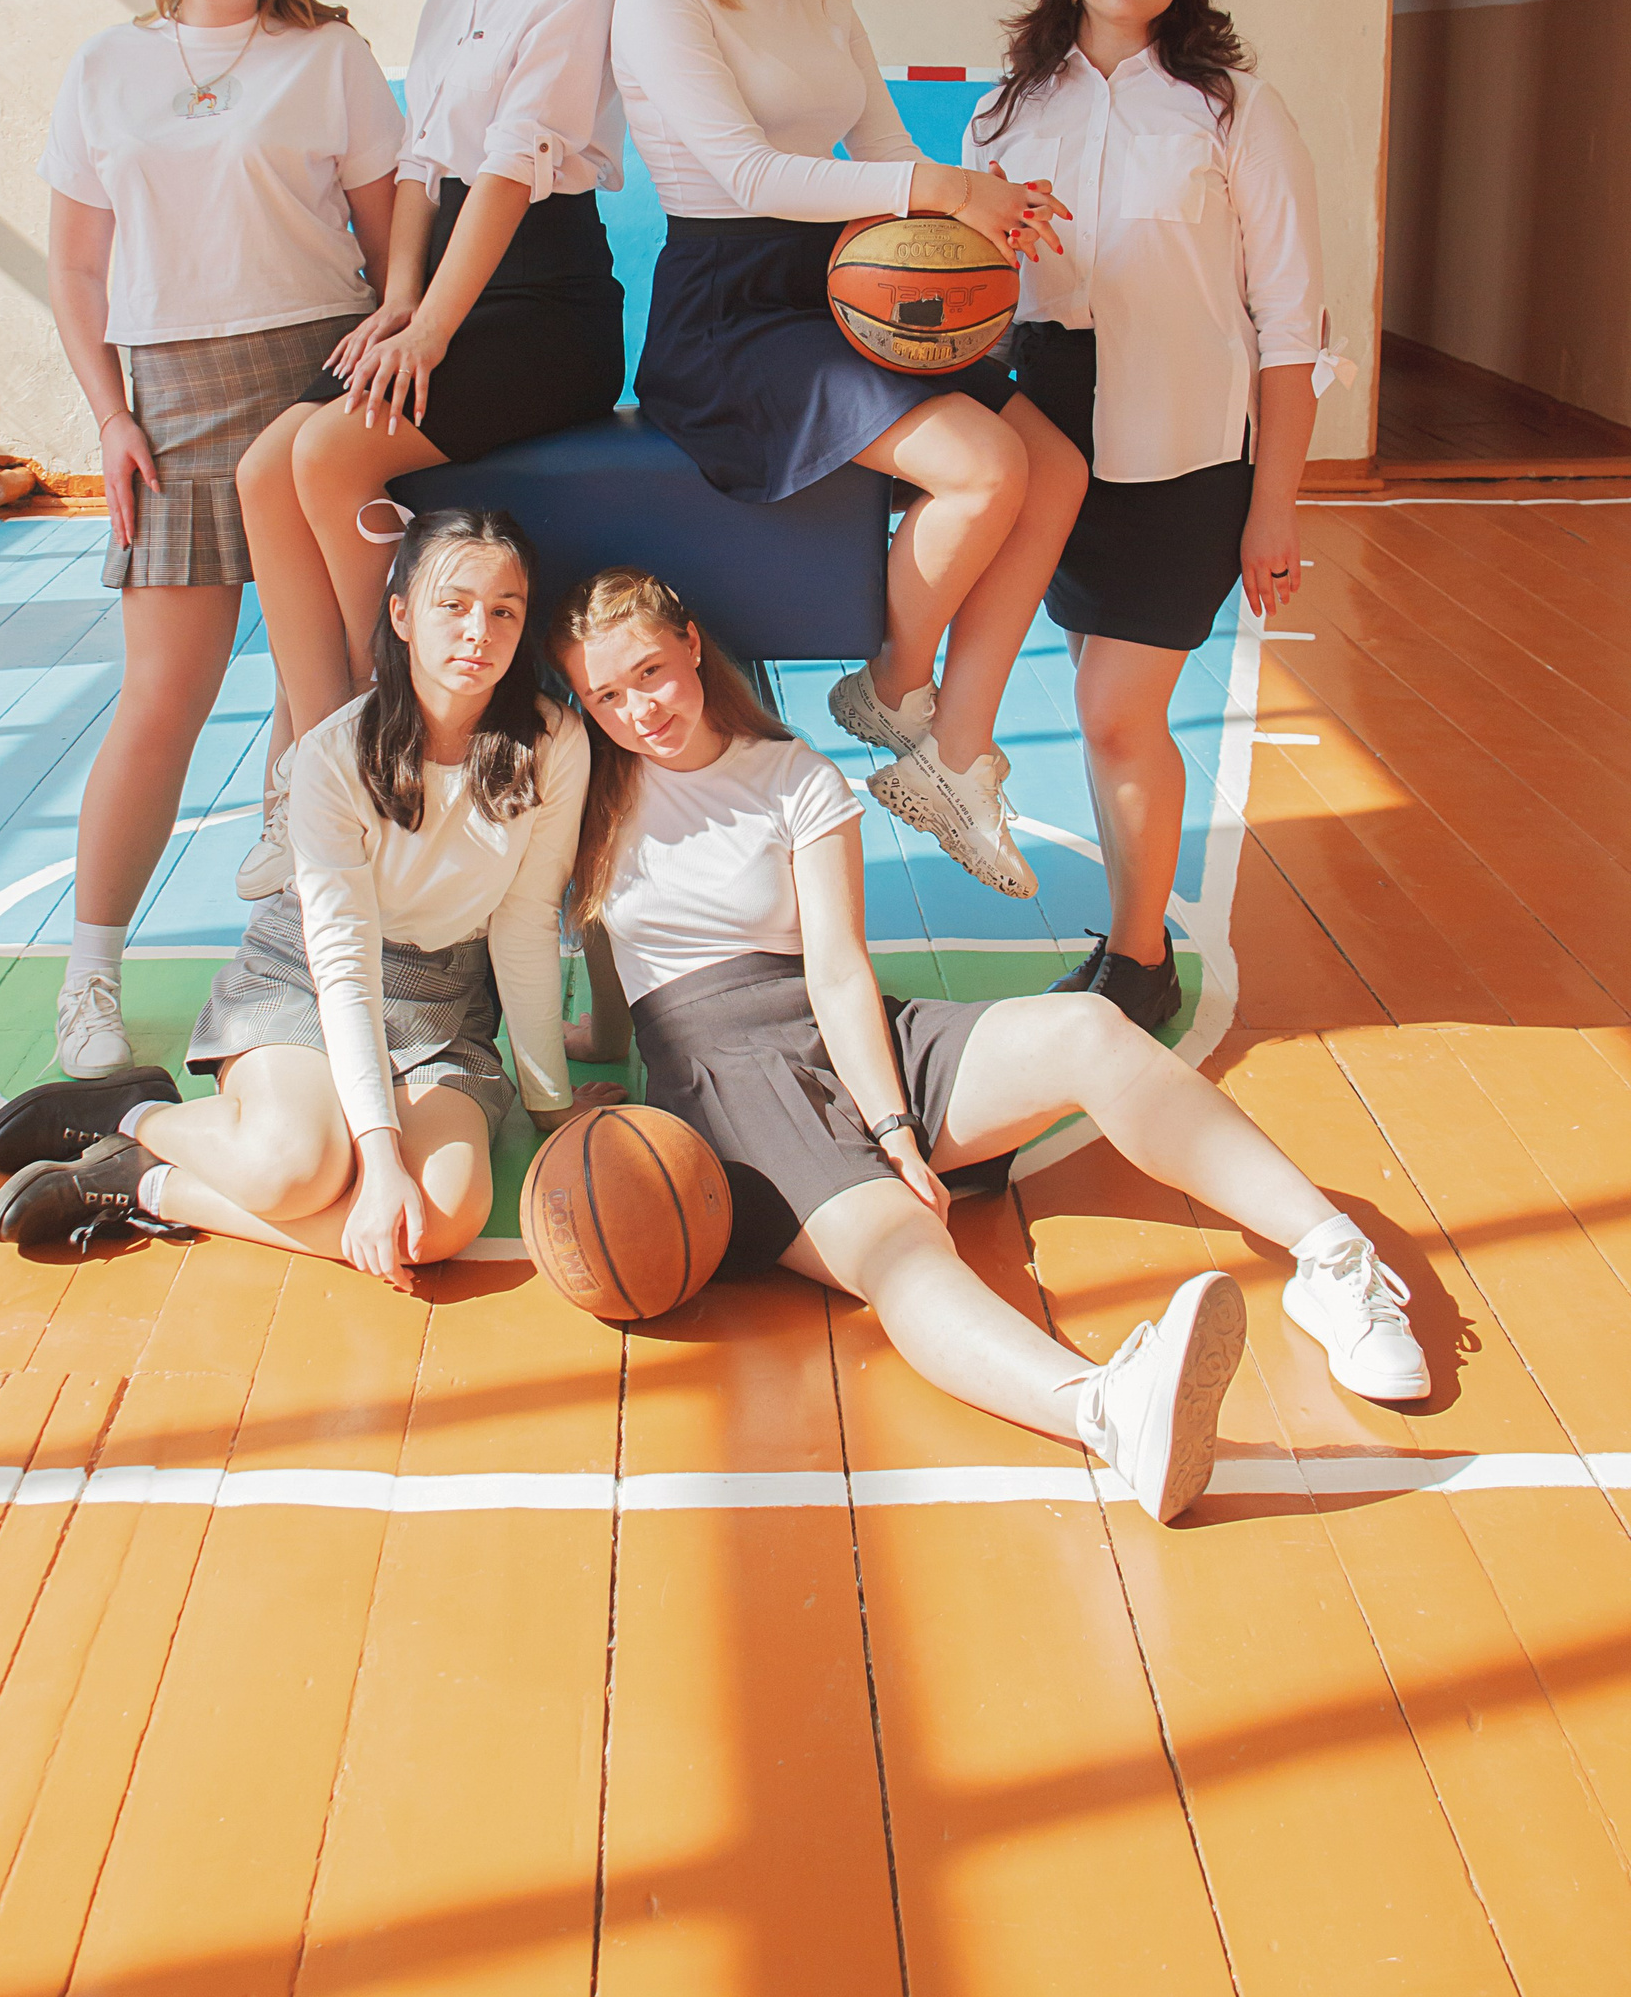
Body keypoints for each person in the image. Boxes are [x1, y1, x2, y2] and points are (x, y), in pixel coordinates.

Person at [551, 567, 1428, 1525]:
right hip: (730, 1083)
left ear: (690, 642)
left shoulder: (793, 775)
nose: (638, 711)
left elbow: (838, 972)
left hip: (849, 1031)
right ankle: (1109, 1411)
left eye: (650, 673)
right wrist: (584, 1064)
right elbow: (605, 948)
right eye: (606, 695)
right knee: (902, 1245)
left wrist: (892, 1125)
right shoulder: (587, 785)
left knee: (1089, 1028)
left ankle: (1334, 1260)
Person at [610, 0, 1086, 898]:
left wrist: (989, 208)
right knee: (982, 467)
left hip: (843, 284)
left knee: (1055, 466)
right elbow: (745, 172)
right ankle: (890, 686)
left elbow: (885, 157)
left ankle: (953, 752)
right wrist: (940, 190)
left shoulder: (830, 4)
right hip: (729, 311)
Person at [0, 509, 627, 1278]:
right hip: (307, 978)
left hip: (441, 1001)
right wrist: (378, 1162)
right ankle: (133, 1112)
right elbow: (344, 962)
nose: (477, 632)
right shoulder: (335, 754)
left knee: (435, 1228)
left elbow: (524, 924)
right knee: (296, 1171)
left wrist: (550, 1105)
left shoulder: (553, 743)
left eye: (503, 611)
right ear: (402, 615)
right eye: (452, 605)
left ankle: (144, 1179)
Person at [38, 0, 402, 1077]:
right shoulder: (107, 67)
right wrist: (111, 415)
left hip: (319, 371)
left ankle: (296, 935)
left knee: (330, 673)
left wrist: (389, 357)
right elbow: (76, 266)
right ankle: (89, 975)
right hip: (172, 392)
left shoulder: (331, 59)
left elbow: (391, 246)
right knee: (164, 696)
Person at [235, 0, 627, 878]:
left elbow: (505, 174)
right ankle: (325, 773)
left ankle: (392, 742)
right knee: (264, 470)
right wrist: (398, 300)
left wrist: (433, 330)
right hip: (448, 281)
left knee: (329, 454)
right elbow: (421, 167)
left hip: (544, 301)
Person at [967, 0, 1328, 1027]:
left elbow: (1292, 321)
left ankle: (1138, 962)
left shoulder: (1236, 109)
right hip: (1054, 441)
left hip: (1188, 450)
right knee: (1103, 705)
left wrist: (1275, 506)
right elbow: (980, 296)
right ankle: (1134, 943)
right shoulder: (1004, 110)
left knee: (1118, 710)